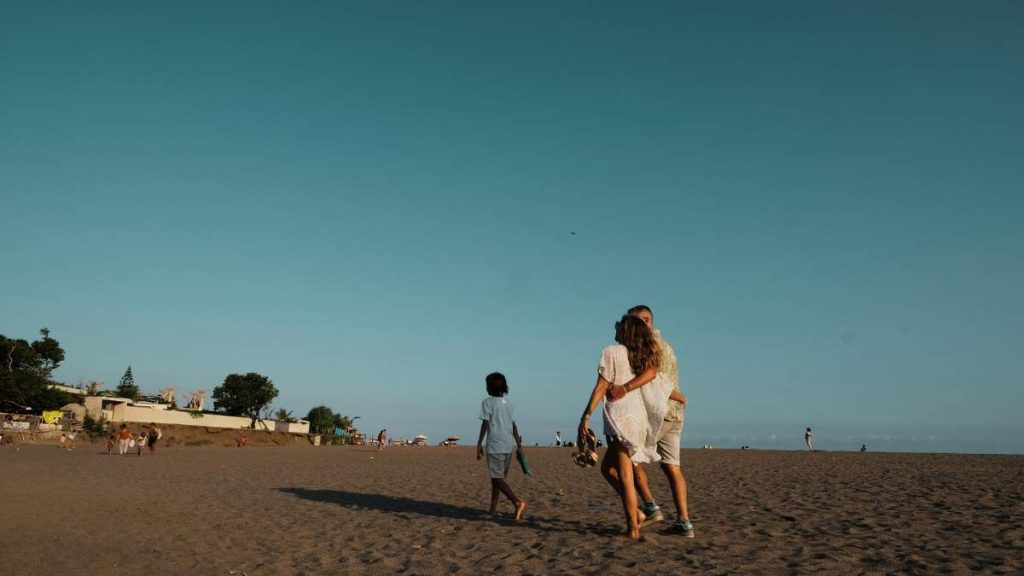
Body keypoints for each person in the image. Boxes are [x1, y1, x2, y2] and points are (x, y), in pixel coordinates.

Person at [579, 315, 683, 541]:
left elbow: (600, 387)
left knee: (625, 474)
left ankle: (632, 528)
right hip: (637, 419)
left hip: (620, 419)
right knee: (608, 469)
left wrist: (585, 416)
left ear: (626, 332)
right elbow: (654, 376)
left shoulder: (612, 352)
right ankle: (636, 512)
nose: (615, 328)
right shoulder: (639, 356)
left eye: (619, 326)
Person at [609, 305, 694, 537]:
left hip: (658, 413)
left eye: (636, 323)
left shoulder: (646, 346)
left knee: (629, 460)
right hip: (675, 413)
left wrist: (624, 389)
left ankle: (650, 506)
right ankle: (684, 522)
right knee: (672, 467)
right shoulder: (667, 345)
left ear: (647, 321)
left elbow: (651, 378)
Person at [476, 372, 527, 520]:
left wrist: (479, 444)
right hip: (508, 446)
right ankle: (492, 510)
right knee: (496, 479)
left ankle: (517, 502)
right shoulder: (509, 404)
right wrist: (518, 444)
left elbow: (485, 423)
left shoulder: (487, 403)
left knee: (497, 478)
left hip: (495, 446)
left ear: (490, 387)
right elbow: (513, 425)